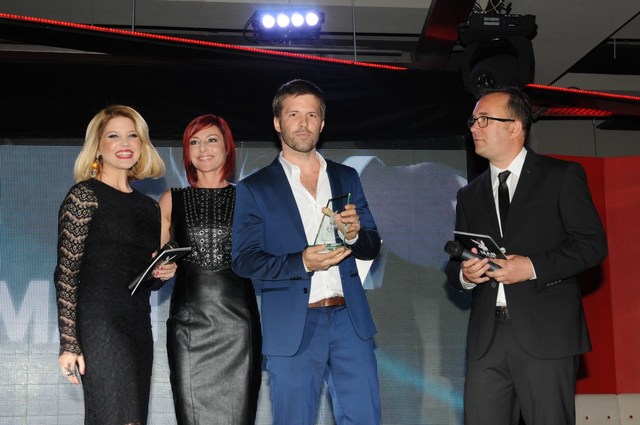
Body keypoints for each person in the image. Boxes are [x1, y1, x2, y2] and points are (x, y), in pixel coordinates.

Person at [445, 87, 608, 425]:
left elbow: (592, 245)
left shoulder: (561, 176)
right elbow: (457, 261)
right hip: (486, 339)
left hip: (547, 334)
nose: (474, 128)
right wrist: (465, 275)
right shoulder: (469, 194)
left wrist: (531, 267)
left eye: (484, 120)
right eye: (473, 121)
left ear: (515, 127)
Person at [232, 79, 382, 425]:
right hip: (293, 327)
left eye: (311, 115)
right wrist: (301, 261)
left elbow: (372, 243)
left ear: (322, 123)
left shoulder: (347, 177)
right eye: (293, 114)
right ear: (277, 122)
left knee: (365, 418)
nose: (303, 123)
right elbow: (244, 260)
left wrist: (355, 235)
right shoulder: (254, 188)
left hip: (350, 320)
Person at [54, 105, 177, 424]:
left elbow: (145, 279)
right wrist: (69, 343)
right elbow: (66, 274)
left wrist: (162, 273)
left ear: (142, 144)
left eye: (132, 136)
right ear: (97, 146)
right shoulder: (84, 196)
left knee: (131, 418)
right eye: (113, 136)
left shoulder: (148, 207)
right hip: (99, 323)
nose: (125, 144)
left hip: (137, 324)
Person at [158, 114, 262, 425]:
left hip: (238, 327)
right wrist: (162, 267)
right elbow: (157, 260)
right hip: (189, 328)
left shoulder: (250, 197)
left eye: (212, 140)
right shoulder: (171, 199)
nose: (203, 148)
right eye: (194, 142)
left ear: (228, 148)